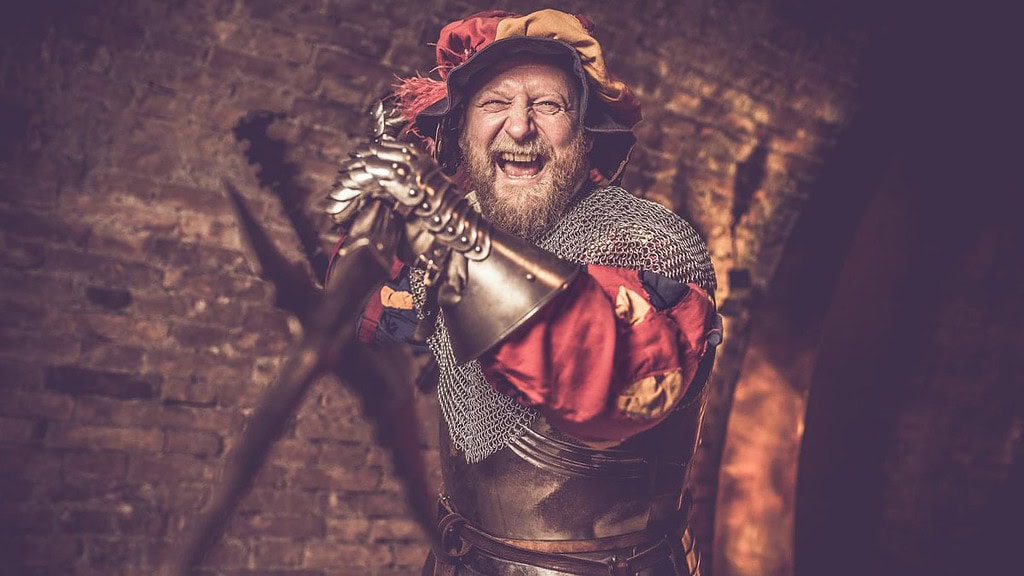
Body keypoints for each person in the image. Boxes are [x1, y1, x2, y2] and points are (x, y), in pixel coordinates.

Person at [327, 8, 720, 576]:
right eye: (494, 103)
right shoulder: (455, 234)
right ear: (461, 134)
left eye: (548, 105)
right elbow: (363, 308)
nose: (519, 127)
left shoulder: (644, 244)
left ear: (586, 134)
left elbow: (614, 377)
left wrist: (451, 244)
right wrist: (379, 226)